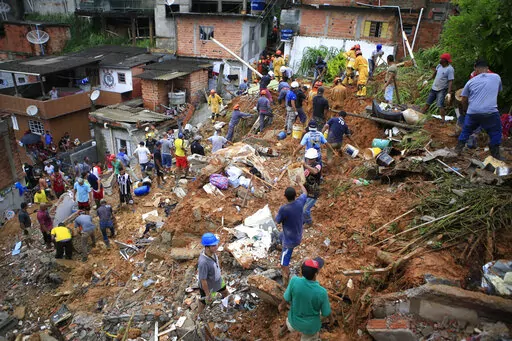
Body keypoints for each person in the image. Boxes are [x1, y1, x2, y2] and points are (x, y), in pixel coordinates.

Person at [456, 60, 503, 159]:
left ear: (476, 70)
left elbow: (463, 99)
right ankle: (495, 153)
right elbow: (497, 92)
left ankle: (458, 150)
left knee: (466, 130)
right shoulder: (496, 77)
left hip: (473, 112)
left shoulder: (470, 81)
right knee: (496, 131)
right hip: (490, 111)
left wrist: (465, 110)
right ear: (487, 68)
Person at [281, 258, 332, 340]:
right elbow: (326, 313)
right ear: (316, 273)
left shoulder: (294, 281)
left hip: (293, 322)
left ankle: (281, 332)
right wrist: (331, 320)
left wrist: (281, 306)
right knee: (311, 337)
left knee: (288, 321)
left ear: (302, 272)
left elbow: (286, 299)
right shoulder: (322, 292)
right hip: (310, 328)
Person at [275, 184, 308, 286]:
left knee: (283, 264)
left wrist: (275, 213)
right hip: (298, 234)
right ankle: (282, 248)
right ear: (295, 195)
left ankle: (286, 282)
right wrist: (299, 183)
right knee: (280, 235)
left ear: (285, 197)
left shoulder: (284, 209)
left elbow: (277, 221)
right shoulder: (299, 202)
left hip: (290, 241)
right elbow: (305, 193)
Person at [197, 232, 228, 313]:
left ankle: (228, 305)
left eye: (216, 244)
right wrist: (207, 294)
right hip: (209, 286)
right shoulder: (203, 262)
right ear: (207, 248)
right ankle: (199, 314)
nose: (216, 247)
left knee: (225, 292)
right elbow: (203, 280)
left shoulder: (212, 253)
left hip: (218, 281)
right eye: (213, 246)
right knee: (205, 302)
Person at [421, 53, 455, 120]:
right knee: (427, 103)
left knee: (440, 105)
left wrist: (449, 92)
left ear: (445, 60)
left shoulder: (450, 69)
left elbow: (450, 81)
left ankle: (443, 121)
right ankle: (420, 116)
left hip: (441, 90)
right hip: (434, 88)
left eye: (441, 59)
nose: (440, 60)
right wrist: (427, 80)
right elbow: (434, 75)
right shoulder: (439, 66)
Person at [302, 148, 322, 227]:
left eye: (311, 159)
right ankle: (304, 220)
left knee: (305, 209)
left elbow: (315, 171)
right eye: (308, 159)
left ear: (314, 159)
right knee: (301, 207)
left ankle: (309, 222)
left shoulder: (318, 165)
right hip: (305, 189)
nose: (309, 161)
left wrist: (306, 165)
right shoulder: (305, 165)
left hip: (313, 191)